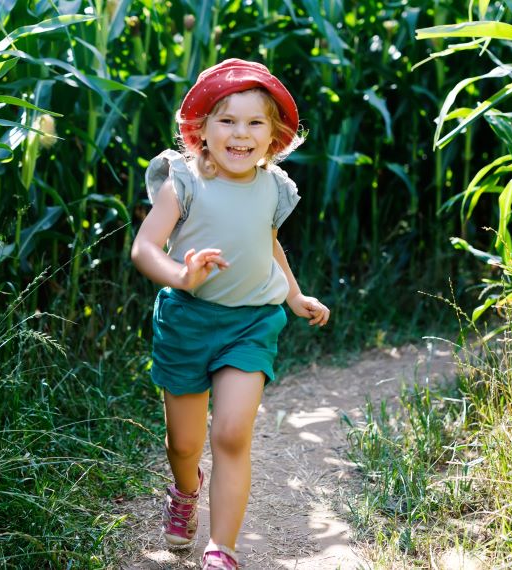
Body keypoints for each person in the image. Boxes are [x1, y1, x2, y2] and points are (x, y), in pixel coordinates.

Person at [131, 58, 330, 570]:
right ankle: (184, 489)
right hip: (187, 320)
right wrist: (182, 275)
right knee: (185, 444)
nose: (240, 134)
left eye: (254, 123)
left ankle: (222, 548)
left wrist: (294, 296)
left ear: (275, 136)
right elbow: (145, 248)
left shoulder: (273, 187)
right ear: (201, 130)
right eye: (227, 121)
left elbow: (268, 245)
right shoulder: (185, 182)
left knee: (231, 433)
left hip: (250, 323)